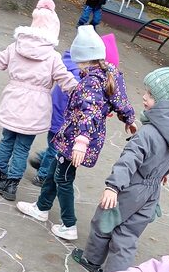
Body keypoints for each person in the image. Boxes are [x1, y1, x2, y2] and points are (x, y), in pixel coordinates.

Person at [72, 61, 169, 272]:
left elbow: (129, 161)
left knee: (104, 221)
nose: (144, 97)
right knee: (127, 234)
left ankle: (91, 259)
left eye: (151, 95)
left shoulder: (147, 134)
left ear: (165, 104)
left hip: (131, 189)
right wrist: (164, 173)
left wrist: (113, 187)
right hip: (152, 193)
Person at [16, 26, 136, 241]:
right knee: (55, 169)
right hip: (76, 138)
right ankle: (41, 207)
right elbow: (121, 100)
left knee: (63, 178)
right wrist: (129, 118)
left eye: (79, 62)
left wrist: (80, 142)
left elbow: (88, 112)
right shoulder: (110, 72)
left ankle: (69, 224)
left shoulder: (90, 82)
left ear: (85, 58)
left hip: (77, 140)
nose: (77, 66)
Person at [0, 0, 77, 202]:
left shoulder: (16, 47)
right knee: (22, 147)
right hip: (35, 109)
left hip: (13, 102)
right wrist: (83, 96)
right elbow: (66, 80)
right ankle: (11, 184)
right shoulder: (52, 57)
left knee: (7, 139)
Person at [28, 34, 120, 187]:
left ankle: (42, 158)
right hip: (63, 117)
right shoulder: (85, 78)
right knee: (56, 147)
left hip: (58, 113)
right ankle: (43, 175)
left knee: (55, 146)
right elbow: (88, 102)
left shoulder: (77, 65)